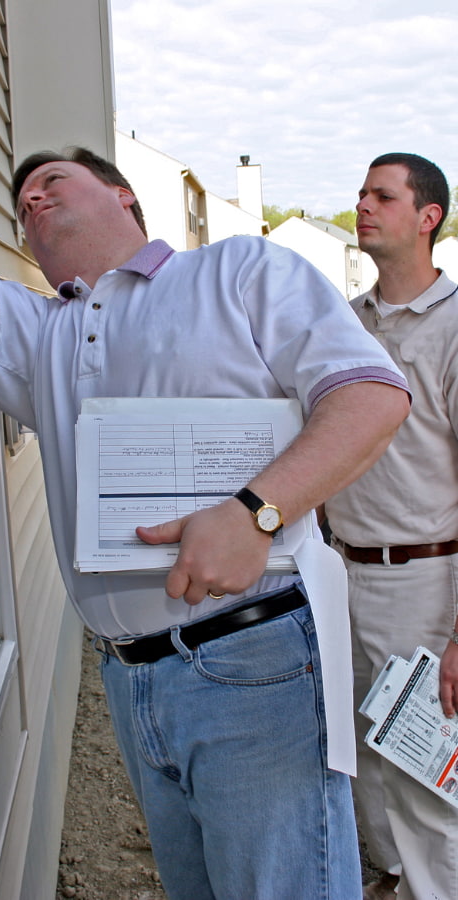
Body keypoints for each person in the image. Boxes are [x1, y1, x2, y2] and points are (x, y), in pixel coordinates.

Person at [0, 146, 410, 900]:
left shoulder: (239, 272)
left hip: (255, 661)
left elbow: (370, 397)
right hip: (130, 680)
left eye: (52, 180)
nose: (31, 199)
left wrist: (255, 514)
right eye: (21, 195)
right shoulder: (45, 332)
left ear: (124, 195)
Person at [325, 153, 458, 900]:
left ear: (427, 217)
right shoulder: (347, 325)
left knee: (424, 774)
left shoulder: (453, 329)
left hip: (424, 581)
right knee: (365, 757)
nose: (363, 206)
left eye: (383, 196)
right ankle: (396, 880)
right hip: (342, 570)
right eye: (360, 194)